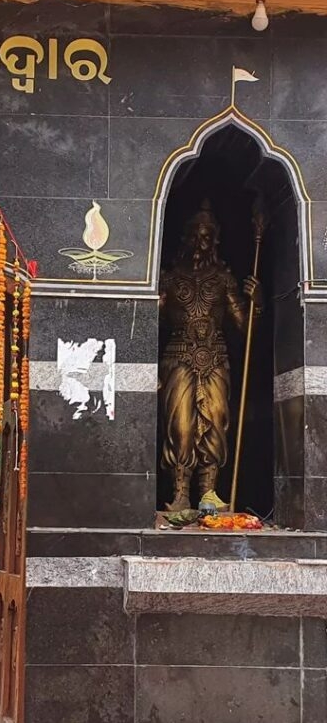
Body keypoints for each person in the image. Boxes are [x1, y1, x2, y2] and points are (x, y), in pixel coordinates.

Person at [159, 201, 262, 510]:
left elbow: (244, 327)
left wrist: (256, 303)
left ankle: (209, 494)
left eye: (206, 236)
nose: (199, 243)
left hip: (215, 358)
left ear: (214, 240)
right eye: (195, 235)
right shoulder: (170, 278)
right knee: (181, 427)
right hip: (178, 357)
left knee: (215, 421)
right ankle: (180, 495)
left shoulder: (223, 279)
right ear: (185, 237)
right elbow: (148, 323)